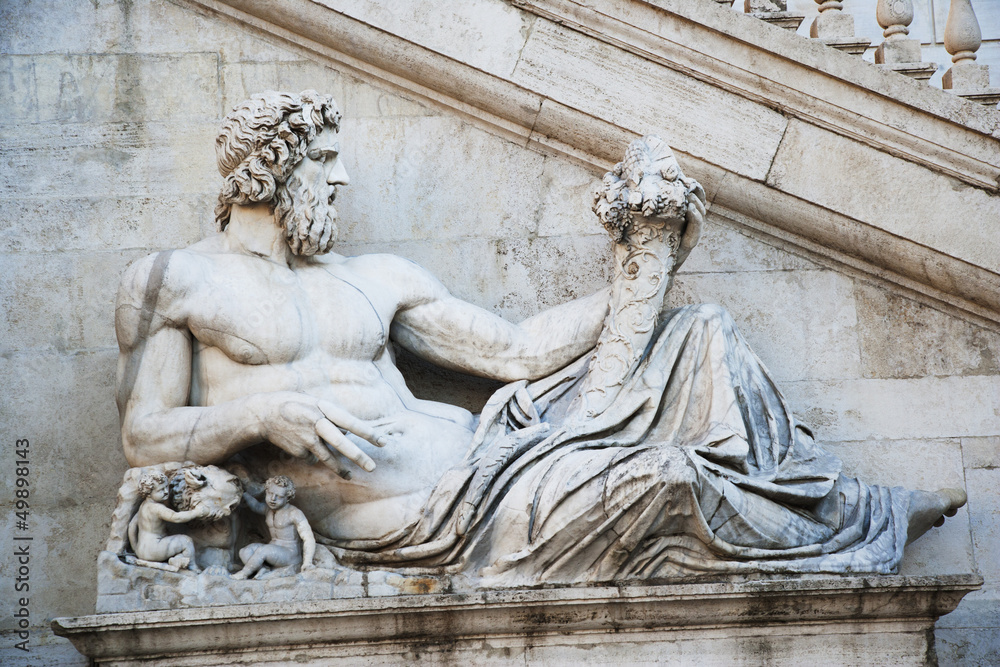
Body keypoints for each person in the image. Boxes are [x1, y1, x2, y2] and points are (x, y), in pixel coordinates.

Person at [115, 90, 964, 583]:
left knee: (699, 331)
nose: (342, 178)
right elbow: (143, 433)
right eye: (327, 159)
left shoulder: (369, 278)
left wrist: (639, 270)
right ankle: (847, 531)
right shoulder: (177, 281)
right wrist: (264, 416)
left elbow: (515, 352)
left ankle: (842, 505)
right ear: (275, 165)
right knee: (661, 477)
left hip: (497, 452)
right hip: (416, 516)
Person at [233, 476, 316, 579]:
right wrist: (243, 493)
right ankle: (263, 569)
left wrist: (307, 562)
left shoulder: (294, 513)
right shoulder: (268, 510)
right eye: (270, 494)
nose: (273, 499)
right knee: (244, 551)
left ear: (287, 498)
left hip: (290, 554)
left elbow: (308, 538)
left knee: (263, 550)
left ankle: (244, 574)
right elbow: (256, 506)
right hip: (272, 550)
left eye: (279, 496)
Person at [128, 471, 212, 572]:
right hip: (154, 549)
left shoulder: (143, 506)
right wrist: (196, 512)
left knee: (173, 543)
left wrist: (135, 548)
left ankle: (176, 560)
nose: (166, 492)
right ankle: (192, 567)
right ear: (149, 494)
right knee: (186, 541)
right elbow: (176, 517)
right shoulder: (157, 508)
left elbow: (132, 526)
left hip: (142, 550)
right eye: (160, 490)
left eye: (166, 487)